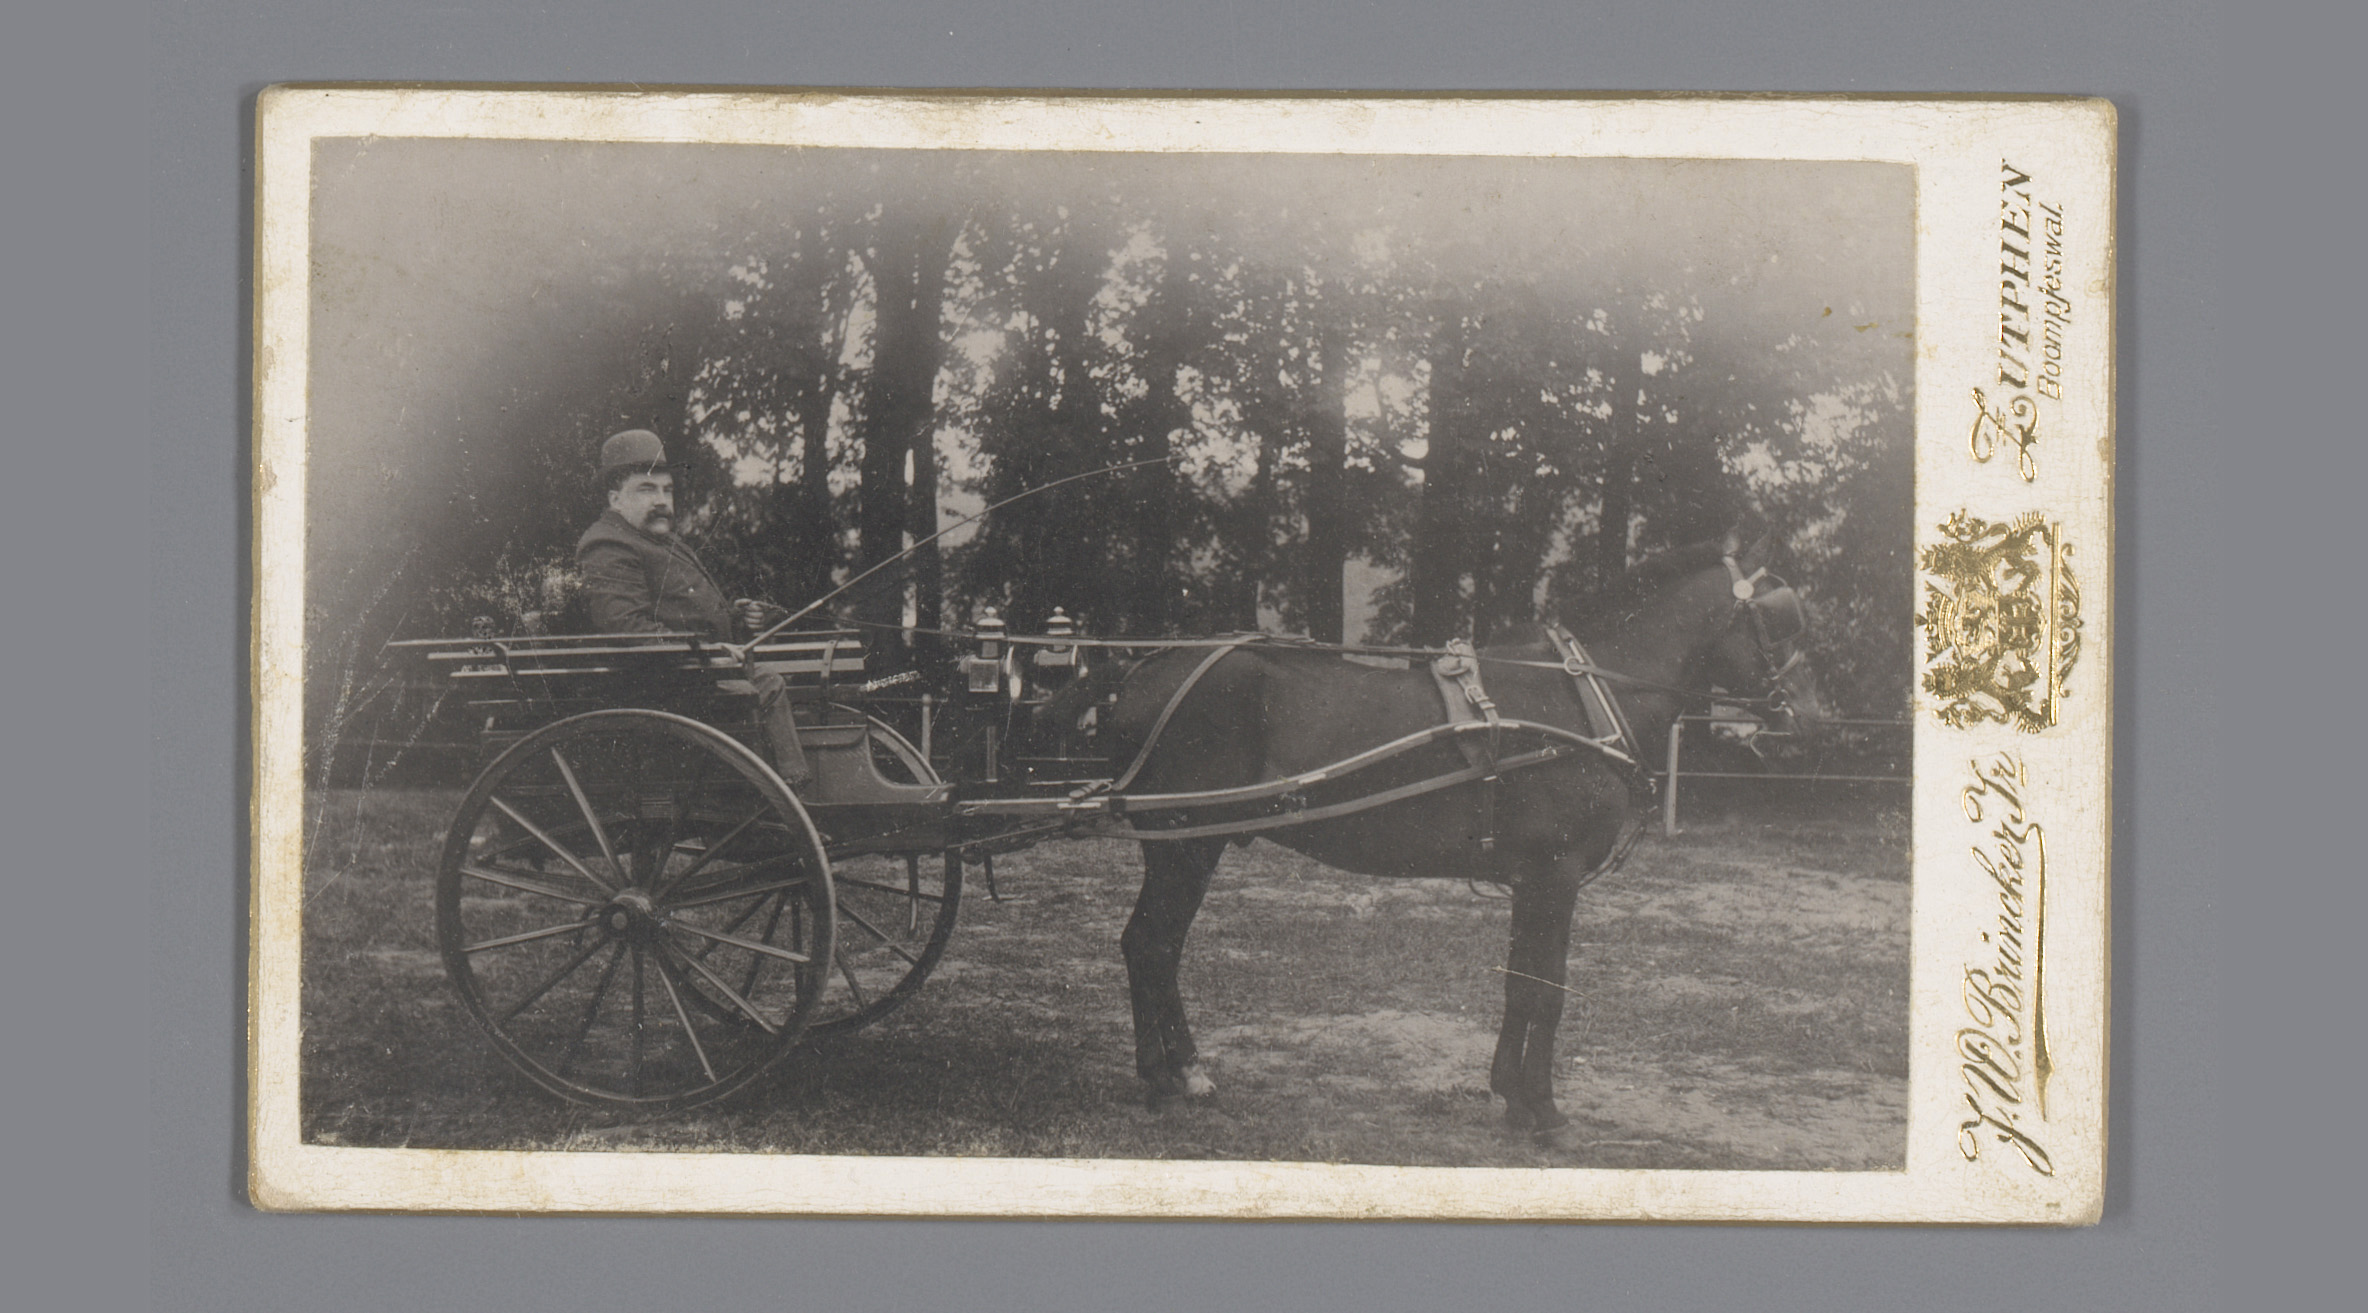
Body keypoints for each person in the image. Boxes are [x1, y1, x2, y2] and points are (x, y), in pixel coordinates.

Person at [576, 429, 813, 785]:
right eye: (647, 490)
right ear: (615, 499)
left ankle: (781, 794)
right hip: (657, 689)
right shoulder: (608, 545)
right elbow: (626, 628)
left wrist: (737, 619)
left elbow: (682, 612)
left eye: (667, 490)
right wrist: (707, 652)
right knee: (765, 684)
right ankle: (785, 795)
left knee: (772, 680)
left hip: (686, 676)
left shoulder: (656, 539)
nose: (662, 501)